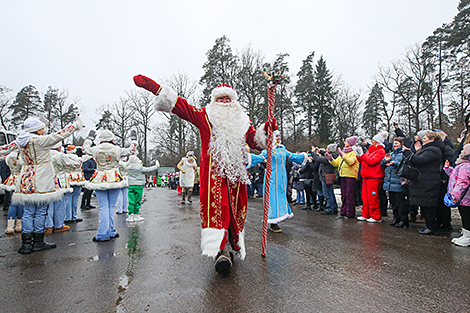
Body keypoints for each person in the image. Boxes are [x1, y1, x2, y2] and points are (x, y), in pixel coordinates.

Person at [134, 75, 273, 275]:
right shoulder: (205, 116)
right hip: (213, 175)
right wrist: (156, 89)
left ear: (234, 102)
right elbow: (183, 107)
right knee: (219, 209)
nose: (224, 102)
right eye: (220, 99)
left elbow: (255, 142)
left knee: (236, 210)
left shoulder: (243, 121)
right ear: (214, 101)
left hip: (236, 176)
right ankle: (220, 250)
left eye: (228, 99)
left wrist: (267, 131)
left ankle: (233, 245)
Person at [0, 116, 82, 254]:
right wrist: (75, 125)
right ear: (36, 130)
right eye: (41, 128)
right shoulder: (39, 141)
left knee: (27, 212)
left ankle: (26, 243)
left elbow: (4, 149)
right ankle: (38, 241)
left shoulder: (19, 141)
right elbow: (60, 135)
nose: (43, 130)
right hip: (41, 178)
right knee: (40, 211)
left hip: (26, 177)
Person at [82, 129, 138, 242]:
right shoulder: (117, 149)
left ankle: (103, 233)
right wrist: (133, 139)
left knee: (103, 207)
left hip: (100, 178)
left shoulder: (95, 149)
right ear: (112, 139)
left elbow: (84, 149)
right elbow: (132, 149)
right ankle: (111, 231)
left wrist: (89, 138)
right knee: (111, 207)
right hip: (114, 178)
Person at [249, 131, 307, 232]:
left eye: (279, 135)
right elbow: (260, 158)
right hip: (271, 178)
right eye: (276, 136)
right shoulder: (268, 150)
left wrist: (305, 155)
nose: (279, 137)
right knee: (272, 198)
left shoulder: (282, 149)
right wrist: (248, 157)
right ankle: (273, 222)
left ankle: (278, 218)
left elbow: (293, 156)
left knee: (280, 197)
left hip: (282, 178)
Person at [403, 131, 444, 235]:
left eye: (425, 138)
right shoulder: (427, 149)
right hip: (424, 180)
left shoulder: (434, 150)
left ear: (432, 139)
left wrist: (408, 153)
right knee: (425, 204)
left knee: (429, 205)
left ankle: (432, 226)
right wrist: (415, 152)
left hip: (429, 180)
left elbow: (419, 161)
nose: (423, 140)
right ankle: (429, 225)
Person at [353, 132, 386, 222]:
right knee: (365, 197)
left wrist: (362, 155)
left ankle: (376, 216)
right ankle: (366, 214)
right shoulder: (370, 150)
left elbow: (371, 162)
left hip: (374, 177)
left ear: (378, 142)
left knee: (373, 197)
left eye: (373, 140)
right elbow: (362, 161)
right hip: (367, 176)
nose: (371, 142)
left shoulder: (380, 151)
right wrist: (358, 154)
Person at [45, 143, 77, 234]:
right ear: (59, 147)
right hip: (60, 180)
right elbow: (72, 165)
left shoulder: (45, 154)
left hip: (47, 180)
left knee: (48, 203)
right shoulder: (61, 155)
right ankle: (58, 224)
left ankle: (48, 225)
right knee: (60, 203)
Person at [444, 144, 470, 246]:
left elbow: (462, 183)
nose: (461, 152)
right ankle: (465, 234)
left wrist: (455, 196)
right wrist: (447, 169)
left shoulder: (465, 166)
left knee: (466, 216)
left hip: (465, 198)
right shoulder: (462, 166)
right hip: (465, 198)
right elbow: (455, 175)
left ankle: (467, 237)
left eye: (463, 150)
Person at [120, 155, 159, 222]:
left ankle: (130, 215)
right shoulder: (140, 168)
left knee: (131, 201)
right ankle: (136, 214)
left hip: (131, 185)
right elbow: (148, 169)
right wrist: (156, 166)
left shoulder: (128, 168)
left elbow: (122, 165)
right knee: (138, 200)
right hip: (139, 185)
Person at [329, 136, 359, 218]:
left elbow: (350, 162)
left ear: (351, 143)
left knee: (349, 194)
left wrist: (343, 156)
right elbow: (336, 163)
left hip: (350, 176)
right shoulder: (344, 152)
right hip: (342, 175)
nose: (345, 143)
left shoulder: (354, 152)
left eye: (347, 142)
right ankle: (343, 211)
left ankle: (350, 212)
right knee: (343, 194)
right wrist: (331, 159)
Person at [381, 138, 408, 228]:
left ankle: (403, 219)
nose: (395, 145)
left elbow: (403, 164)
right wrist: (385, 160)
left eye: (396, 143)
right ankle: (396, 218)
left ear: (401, 144)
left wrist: (394, 163)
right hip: (389, 182)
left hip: (398, 181)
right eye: (394, 143)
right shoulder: (391, 154)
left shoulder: (403, 154)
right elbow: (382, 165)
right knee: (393, 202)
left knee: (400, 202)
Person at [3, 151, 23, 234]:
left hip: (12, 179)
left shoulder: (9, 156)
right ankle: (19, 225)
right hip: (21, 180)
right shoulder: (22, 157)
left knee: (13, 203)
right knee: (21, 203)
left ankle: (10, 226)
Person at [64, 145, 84, 224]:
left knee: (68, 198)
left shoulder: (65, 157)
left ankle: (68, 217)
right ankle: (74, 216)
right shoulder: (79, 159)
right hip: (78, 178)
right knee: (75, 198)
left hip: (68, 178)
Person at [318, 143, 340, 215]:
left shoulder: (329, 157)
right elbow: (325, 154)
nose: (326, 150)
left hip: (326, 176)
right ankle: (334, 207)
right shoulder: (335, 155)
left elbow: (319, 159)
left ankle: (329, 208)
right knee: (331, 193)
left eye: (327, 149)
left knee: (327, 193)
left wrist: (314, 153)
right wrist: (320, 151)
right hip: (329, 176)